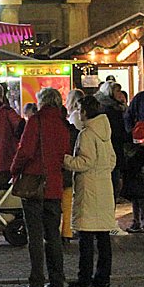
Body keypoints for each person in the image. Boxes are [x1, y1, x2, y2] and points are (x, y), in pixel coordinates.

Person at [12, 87, 70, 287]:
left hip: (35, 186)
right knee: (53, 235)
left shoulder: (35, 121)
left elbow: (25, 151)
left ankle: (36, 282)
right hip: (55, 186)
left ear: (41, 102)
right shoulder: (63, 124)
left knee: (35, 236)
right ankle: (57, 281)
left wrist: (15, 169)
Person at [63, 96, 117, 287]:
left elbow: (85, 162)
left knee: (85, 236)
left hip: (89, 188)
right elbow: (112, 160)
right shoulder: (104, 132)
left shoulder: (86, 134)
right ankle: (103, 277)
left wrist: (66, 160)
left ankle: (84, 278)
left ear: (84, 111)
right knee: (103, 236)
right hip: (104, 186)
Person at [95, 81, 129, 236]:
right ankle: (108, 223)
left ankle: (102, 223)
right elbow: (119, 134)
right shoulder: (111, 111)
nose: (119, 94)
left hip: (105, 154)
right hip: (112, 154)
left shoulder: (102, 108)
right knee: (111, 188)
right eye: (117, 91)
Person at [62, 89, 84, 242]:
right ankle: (67, 231)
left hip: (66, 166)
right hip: (71, 168)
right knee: (69, 199)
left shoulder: (74, 118)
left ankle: (66, 231)